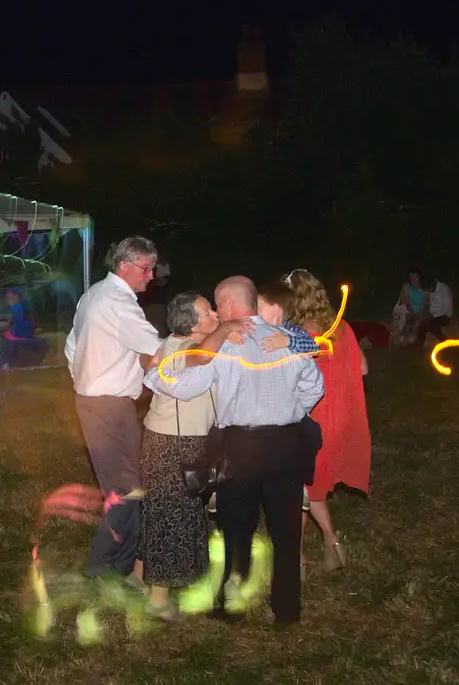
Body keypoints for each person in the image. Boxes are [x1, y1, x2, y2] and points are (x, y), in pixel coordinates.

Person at [145, 276, 324, 625]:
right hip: (285, 444)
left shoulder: (225, 344)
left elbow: (185, 386)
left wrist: (152, 375)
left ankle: (232, 607)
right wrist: (288, 414)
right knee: (286, 530)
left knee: (237, 527)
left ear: (227, 306)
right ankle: (287, 610)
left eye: (216, 304)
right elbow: (314, 388)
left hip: (241, 445)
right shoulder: (285, 339)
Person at [63, 236, 164, 581]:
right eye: (146, 268)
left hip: (96, 402)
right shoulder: (120, 302)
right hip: (108, 406)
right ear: (124, 265)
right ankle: (99, 570)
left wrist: (84, 379)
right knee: (126, 491)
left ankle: (120, 566)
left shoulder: (92, 295)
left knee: (127, 487)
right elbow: (159, 350)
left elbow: (71, 344)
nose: (151, 276)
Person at [271, 270, 371, 571]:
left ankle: (299, 557)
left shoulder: (296, 335)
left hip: (312, 417)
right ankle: (331, 544)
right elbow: (363, 368)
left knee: (302, 487)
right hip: (339, 418)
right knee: (311, 486)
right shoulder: (340, 326)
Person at [139, 292, 220, 621]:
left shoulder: (174, 342)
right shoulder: (193, 351)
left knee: (173, 515)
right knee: (170, 518)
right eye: (208, 313)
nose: (215, 315)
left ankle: (167, 585)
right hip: (173, 443)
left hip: (170, 438)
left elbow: (151, 370)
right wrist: (227, 332)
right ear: (192, 325)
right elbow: (189, 385)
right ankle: (158, 600)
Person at [393, 269, 428, 346]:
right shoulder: (407, 287)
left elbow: (425, 305)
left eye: (414, 276)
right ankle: (405, 340)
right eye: (411, 276)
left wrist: (422, 315)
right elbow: (406, 303)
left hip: (420, 311)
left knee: (417, 322)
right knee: (409, 319)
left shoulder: (424, 291)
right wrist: (414, 313)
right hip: (409, 310)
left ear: (419, 277)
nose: (412, 278)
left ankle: (413, 340)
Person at [419, 275, 454, 346]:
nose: (427, 291)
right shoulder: (427, 291)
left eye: (428, 289)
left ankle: (446, 343)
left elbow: (447, 309)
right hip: (432, 316)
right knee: (421, 326)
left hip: (445, 316)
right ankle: (418, 347)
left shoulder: (444, 290)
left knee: (431, 325)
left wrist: (431, 315)